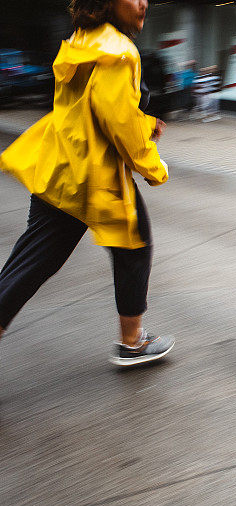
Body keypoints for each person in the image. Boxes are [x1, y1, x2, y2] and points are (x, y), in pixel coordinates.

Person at [0, 0, 175, 366]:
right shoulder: (121, 52)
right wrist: (154, 167)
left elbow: (94, 107)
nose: (142, 3)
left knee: (32, 260)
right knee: (134, 245)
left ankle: (133, 340)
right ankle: (133, 342)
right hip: (91, 176)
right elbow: (119, 125)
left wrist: (144, 124)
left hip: (61, 162)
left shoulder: (84, 38)